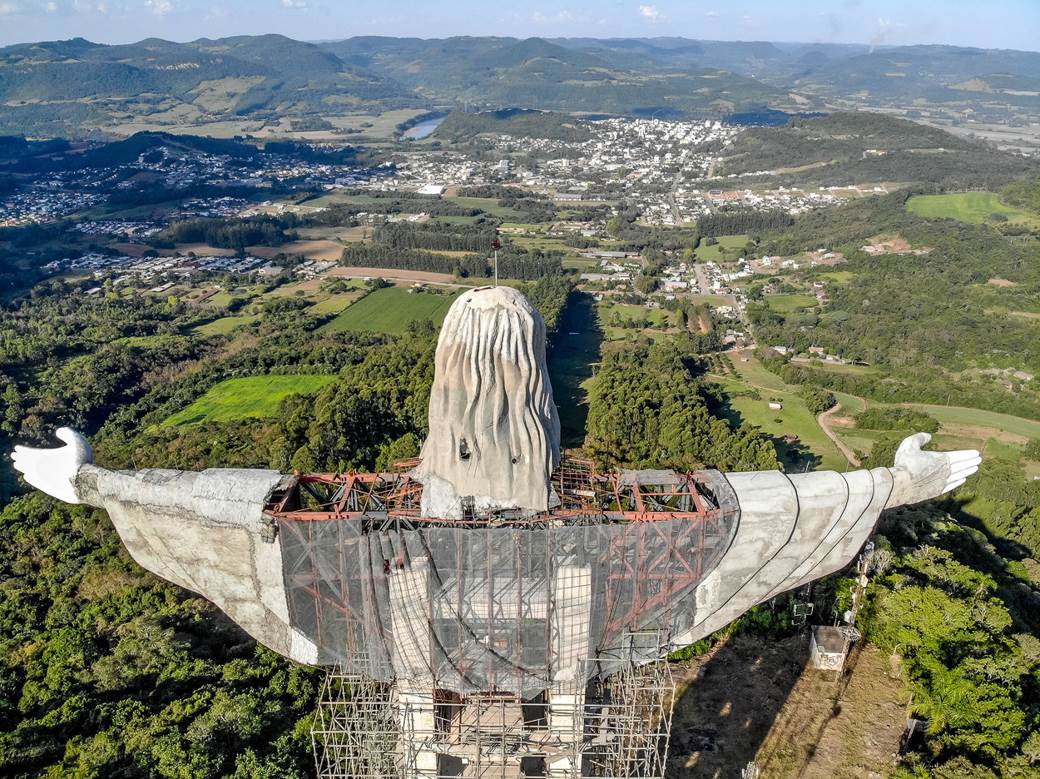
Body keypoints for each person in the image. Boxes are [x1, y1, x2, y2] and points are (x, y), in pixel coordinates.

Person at [11, 286, 980, 681]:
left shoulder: (350, 523)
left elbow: (228, 503)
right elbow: (761, 505)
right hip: (560, 628)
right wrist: (890, 486)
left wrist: (98, 483)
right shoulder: (621, 516)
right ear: (540, 387)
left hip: (407, 625)